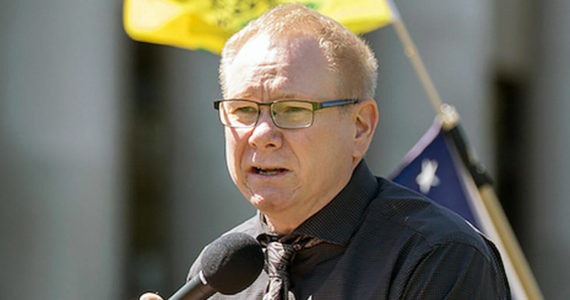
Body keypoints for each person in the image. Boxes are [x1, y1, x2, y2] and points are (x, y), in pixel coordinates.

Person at [141, 4, 510, 300]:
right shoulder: (221, 272)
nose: (262, 135)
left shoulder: (435, 256)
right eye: (243, 110)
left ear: (360, 126)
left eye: (293, 110)